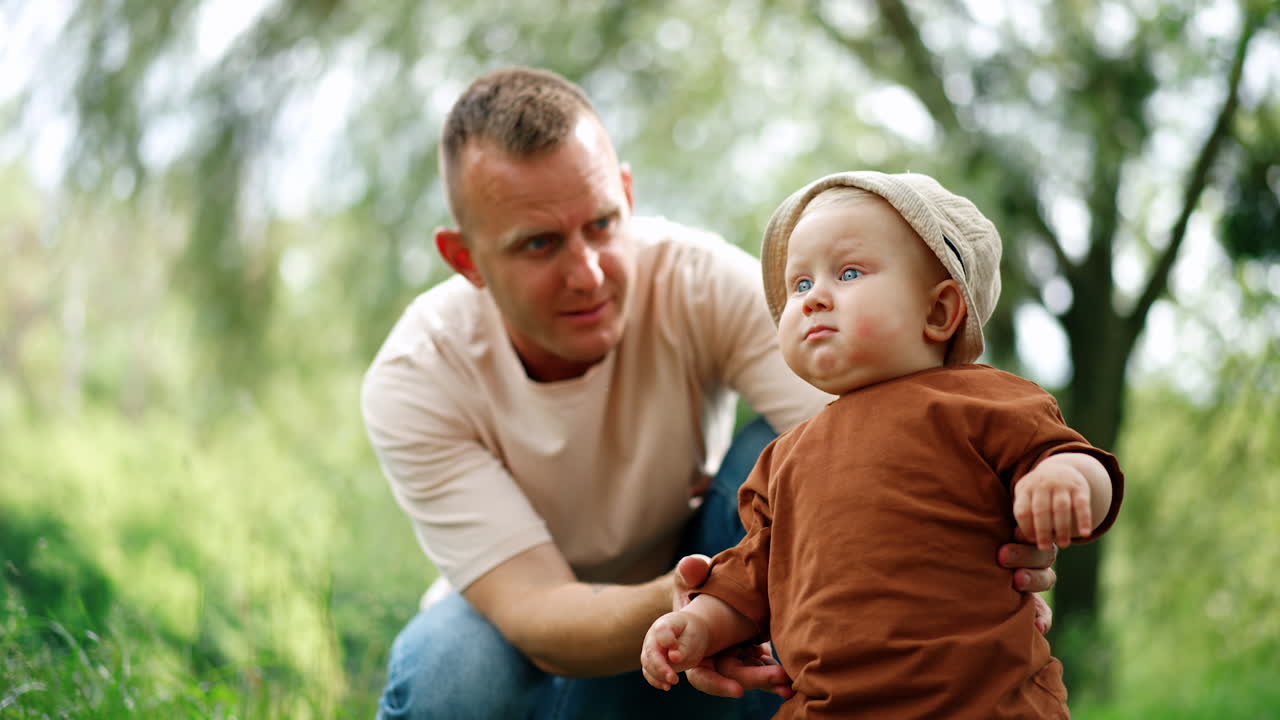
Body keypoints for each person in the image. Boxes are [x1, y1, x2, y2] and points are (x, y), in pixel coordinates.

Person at [361, 67, 1060, 720]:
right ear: (465, 260)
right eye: (539, 245)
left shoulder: (702, 282)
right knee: (445, 679)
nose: (590, 273)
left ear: (628, 196)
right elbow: (541, 616)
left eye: (603, 224)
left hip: (715, 559)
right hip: (552, 627)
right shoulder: (419, 376)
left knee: (804, 449)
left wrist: (971, 556)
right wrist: (703, 604)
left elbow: (897, 445)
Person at [640, 171, 1126, 718]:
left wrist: (1064, 480)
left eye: (848, 273)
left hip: (986, 702)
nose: (813, 298)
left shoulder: (985, 401)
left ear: (939, 312)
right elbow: (750, 581)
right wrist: (698, 625)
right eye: (799, 285)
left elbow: (1082, 466)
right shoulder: (783, 458)